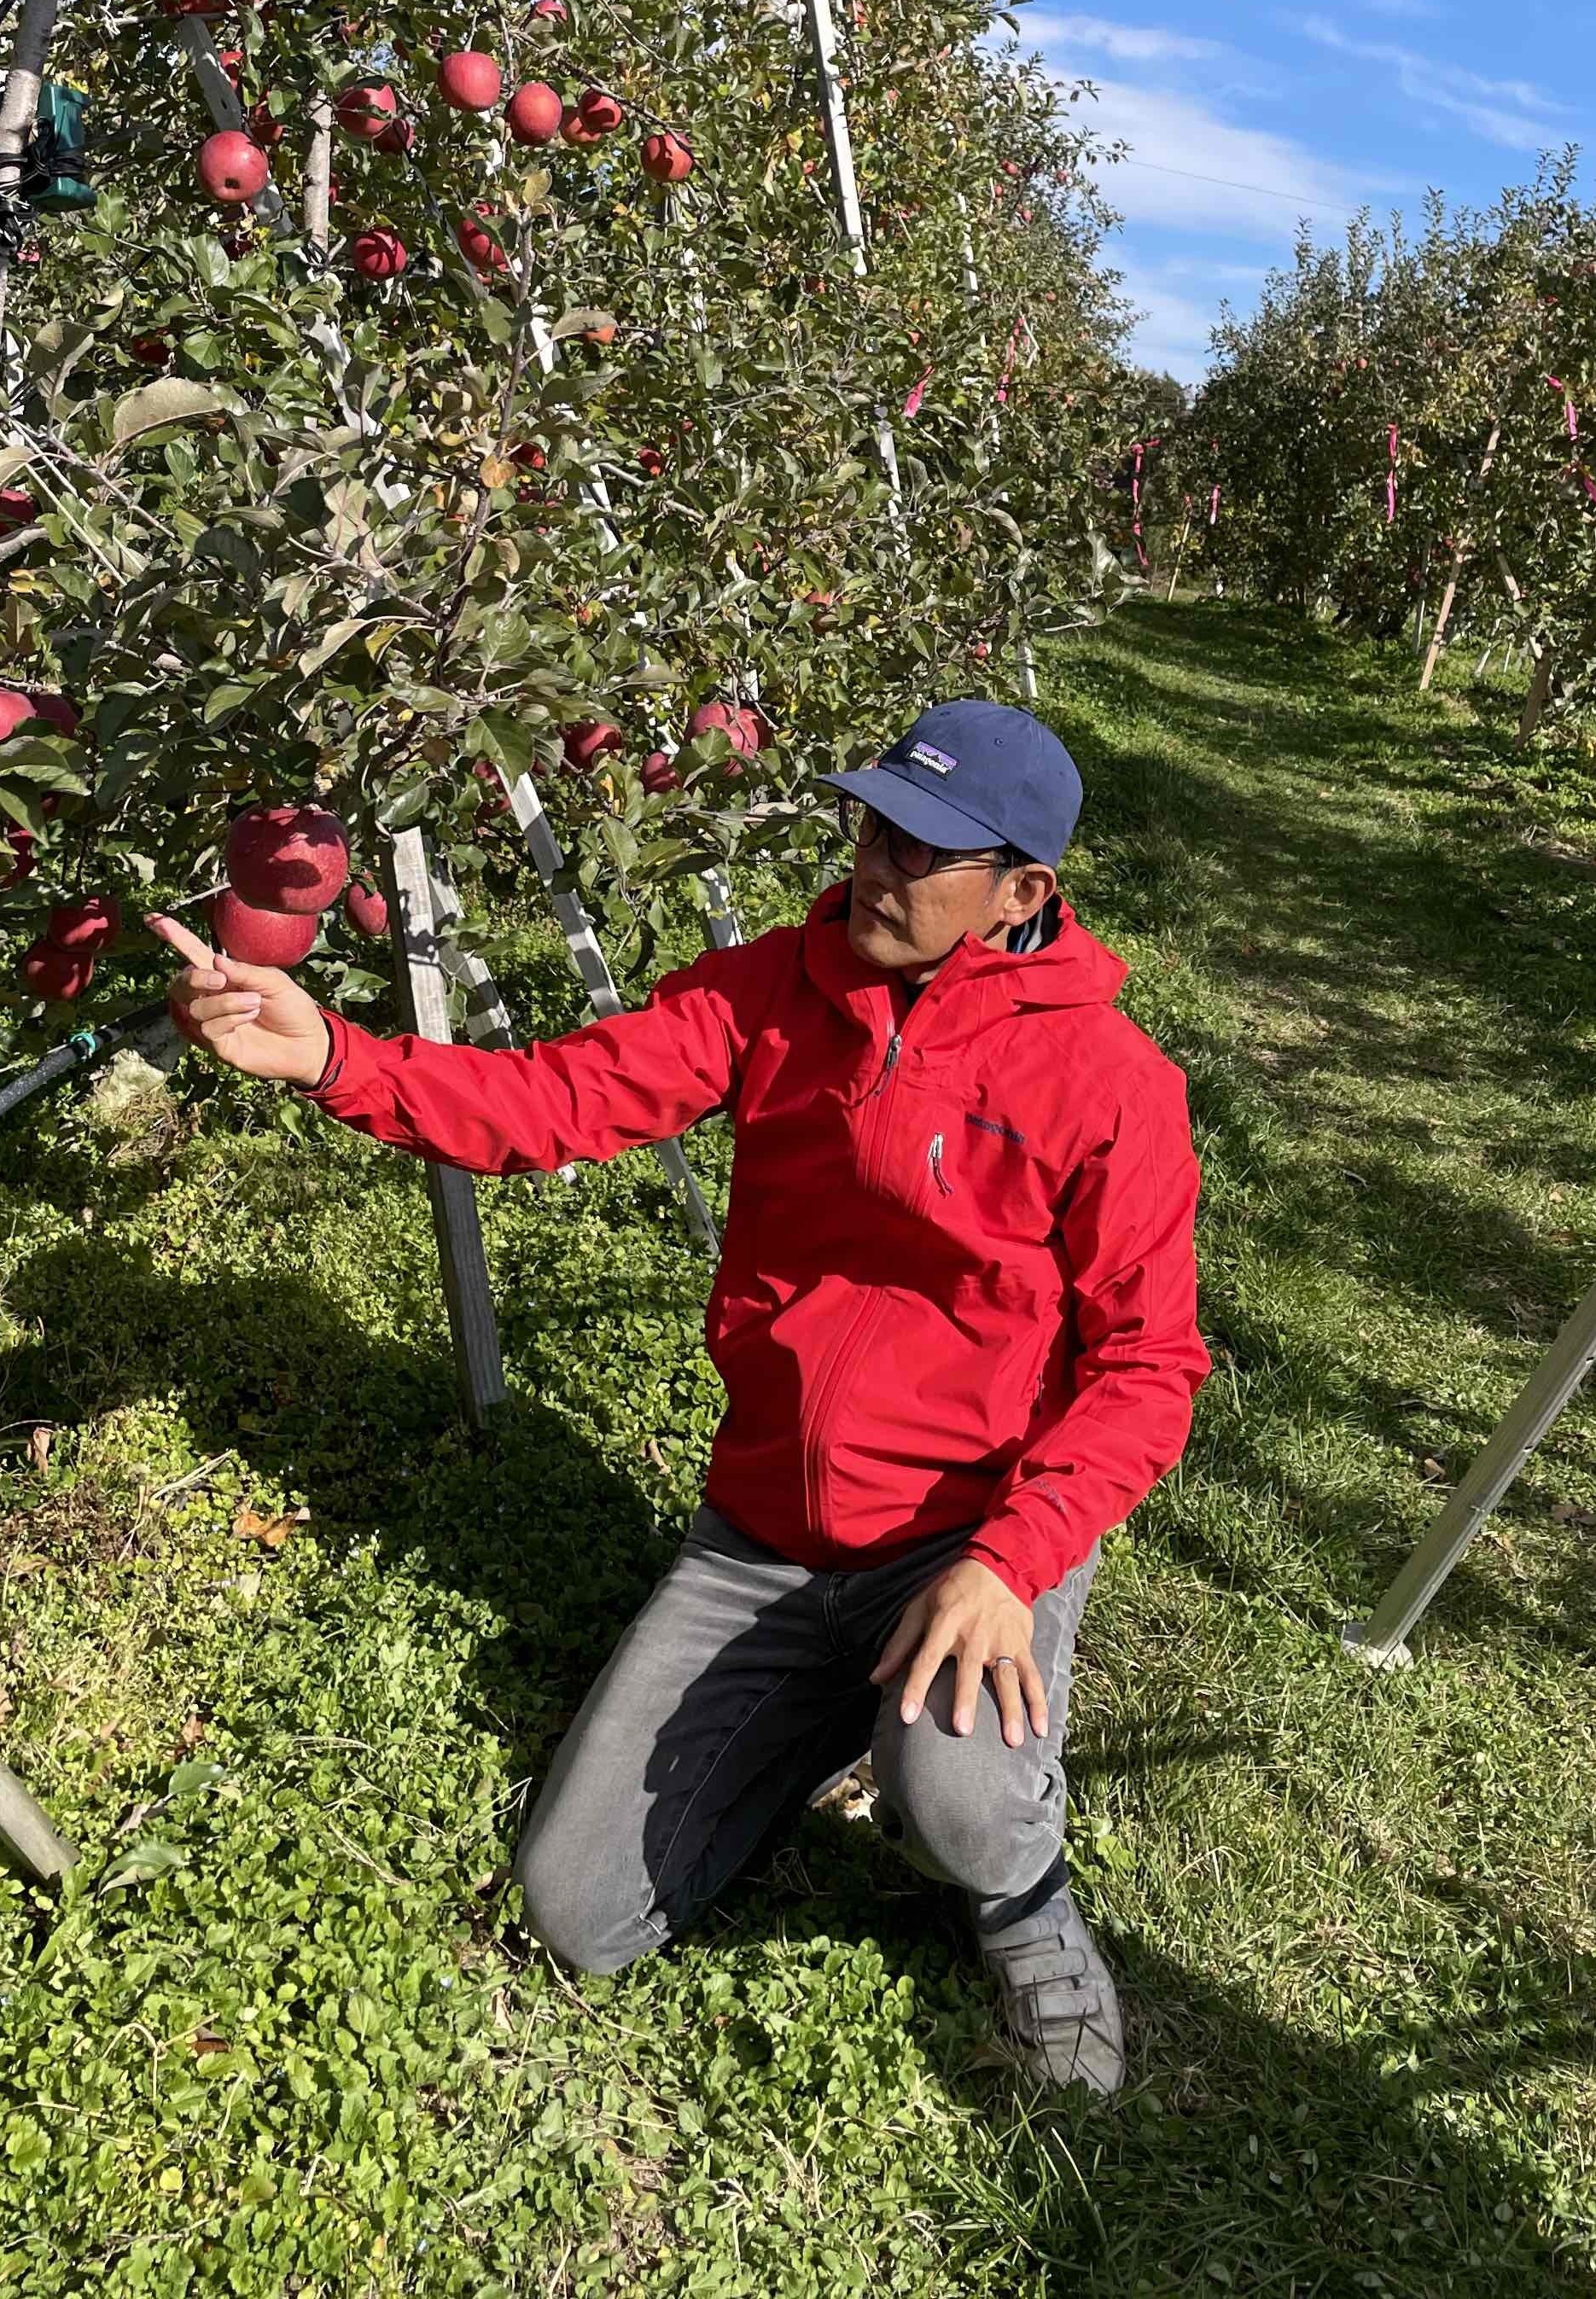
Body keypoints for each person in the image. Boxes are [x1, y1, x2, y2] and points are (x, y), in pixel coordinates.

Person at [152, 697, 1205, 2096]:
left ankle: (1023, 1902)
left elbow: (1148, 1369)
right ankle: (830, 1714)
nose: (877, 866)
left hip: (965, 1535)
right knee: (579, 1912)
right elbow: (557, 1101)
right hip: (766, 1534)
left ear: (1022, 893)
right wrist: (338, 1058)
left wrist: (1014, 1562)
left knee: (958, 1796)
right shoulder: (772, 991)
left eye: (923, 850)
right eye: (873, 827)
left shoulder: (1110, 1084)